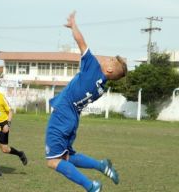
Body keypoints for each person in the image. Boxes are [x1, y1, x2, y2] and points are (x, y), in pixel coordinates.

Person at [44, 12, 127, 192]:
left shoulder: (93, 68)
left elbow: (81, 43)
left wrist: (73, 25)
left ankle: (91, 187)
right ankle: (101, 166)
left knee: (53, 161)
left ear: (110, 69)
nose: (106, 58)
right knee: (67, 157)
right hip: (72, 119)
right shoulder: (101, 86)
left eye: (111, 59)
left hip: (63, 115)